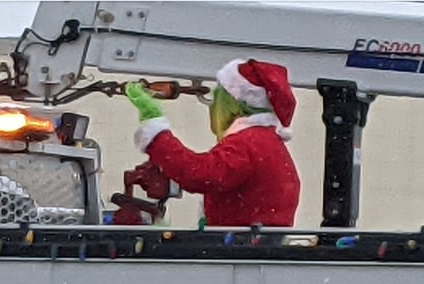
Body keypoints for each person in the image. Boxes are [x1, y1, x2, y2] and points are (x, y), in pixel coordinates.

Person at [126, 59, 301, 228]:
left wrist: (156, 130)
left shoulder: (249, 143)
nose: (213, 106)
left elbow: (200, 174)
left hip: (240, 249)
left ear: (235, 103)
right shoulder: (268, 142)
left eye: (218, 98)